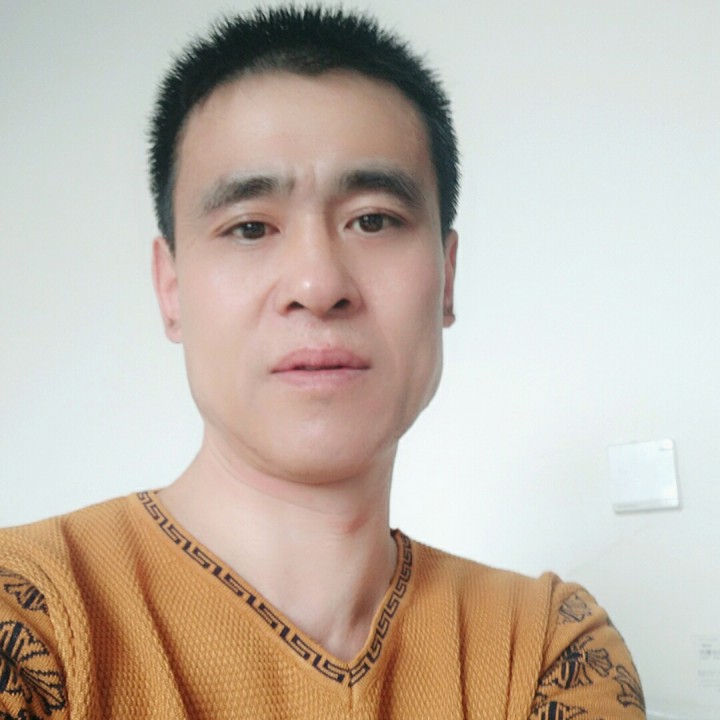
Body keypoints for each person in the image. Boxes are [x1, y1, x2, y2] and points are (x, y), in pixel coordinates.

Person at [0, 6, 646, 719]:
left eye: (373, 220)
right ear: (171, 288)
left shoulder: (546, 646)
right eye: (250, 227)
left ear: (447, 279)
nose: (317, 284)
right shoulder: (32, 616)